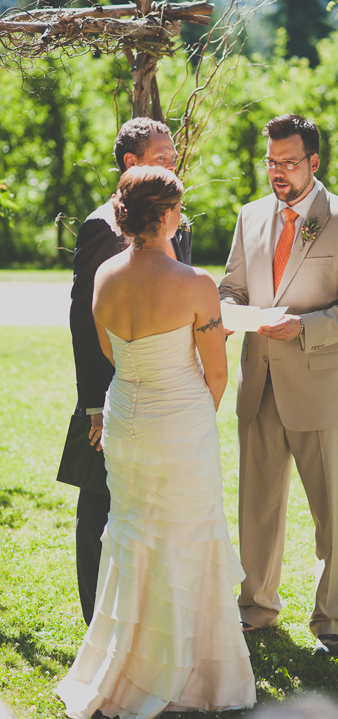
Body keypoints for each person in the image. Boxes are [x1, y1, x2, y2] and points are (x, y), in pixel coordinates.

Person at [56, 166, 255, 717]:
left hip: (125, 417)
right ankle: (188, 675)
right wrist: (192, 416)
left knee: (133, 534)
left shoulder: (105, 277)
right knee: (186, 537)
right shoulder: (196, 284)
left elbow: (109, 351)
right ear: (167, 216)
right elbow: (216, 373)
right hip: (179, 420)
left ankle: (125, 665)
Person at [219, 114, 338, 656]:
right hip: (258, 384)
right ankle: (256, 608)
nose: (277, 173)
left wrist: (305, 327)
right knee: (257, 507)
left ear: (314, 162)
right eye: (270, 161)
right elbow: (233, 287)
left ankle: (331, 620)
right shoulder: (250, 216)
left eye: (288, 162)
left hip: (322, 387)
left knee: (330, 513)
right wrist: (230, 310)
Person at [56, 117, 192, 626]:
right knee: (100, 506)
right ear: (131, 163)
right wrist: (96, 407)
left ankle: (150, 619)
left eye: (173, 157)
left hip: (166, 395)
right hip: (112, 395)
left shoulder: (181, 220)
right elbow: (83, 323)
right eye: (163, 157)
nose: (172, 165)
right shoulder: (100, 227)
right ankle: (98, 621)